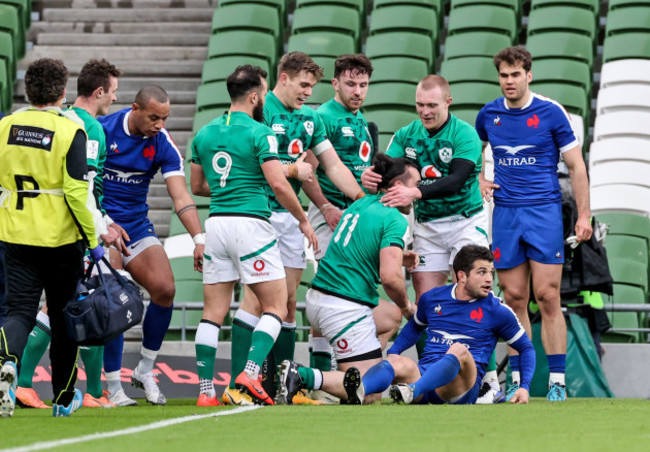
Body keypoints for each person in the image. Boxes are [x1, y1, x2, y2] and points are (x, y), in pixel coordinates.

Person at [225, 52, 366, 405]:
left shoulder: (308, 118)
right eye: (303, 85)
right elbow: (248, 161)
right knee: (257, 299)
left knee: (287, 304)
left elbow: (332, 166)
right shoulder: (260, 110)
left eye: (312, 87)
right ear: (283, 78)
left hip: (290, 217)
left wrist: (363, 200)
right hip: (259, 213)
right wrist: (291, 170)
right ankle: (238, 383)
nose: (308, 92)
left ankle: (283, 386)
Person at [191, 65, 317, 406]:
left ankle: (205, 392)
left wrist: (230, 185)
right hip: (251, 224)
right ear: (254, 96)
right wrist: (303, 218)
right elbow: (278, 183)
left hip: (215, 223)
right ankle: (249, 372)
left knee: (212, 313)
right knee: (277, 305)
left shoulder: (203, 133)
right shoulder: (260, 132)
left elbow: (198, 186)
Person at [476, 47, 592, 402]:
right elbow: (480, 151)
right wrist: (482, 177)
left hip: (543, 212)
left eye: (515, 74)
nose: (509, 81)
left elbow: (577, 168)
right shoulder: (489, 115)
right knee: (513, 299)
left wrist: (585, 215)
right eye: (503, 75)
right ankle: (518, 381)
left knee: (547, 296)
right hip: (506, 214)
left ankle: (557, 380)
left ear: (529, 75)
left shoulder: (551, 112)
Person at [15, 58, 124, 410]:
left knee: (26, 311)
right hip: (64, 233)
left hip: (17, 231)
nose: (115, 100)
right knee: (74, 310)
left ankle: (18, 374)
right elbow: (83, 188)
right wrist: (97, 231)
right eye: (114, 93)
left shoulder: (11, 124)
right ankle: (74, 393)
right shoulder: (81, 127)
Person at [0, 58, 102, 418]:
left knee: (19, 310)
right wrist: (93, 239)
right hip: (59, 240)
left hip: (14, 235)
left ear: (27, 90)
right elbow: (76, 194)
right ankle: (62, 398)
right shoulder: (69, 130)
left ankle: (5, 362)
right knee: (63, 318)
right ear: (63, 92)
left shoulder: (5, 125)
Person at [275, 154, 419, 405]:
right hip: (343, 308)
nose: (417, 191)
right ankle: (306, 376)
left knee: (390, 317)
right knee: (370, 392)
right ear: (398, 187)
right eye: (415, 185)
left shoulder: (361, 204)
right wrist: (408, 307)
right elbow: (390, 278)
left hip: (319, 299)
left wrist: (399, 257)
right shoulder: (394, 218)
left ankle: (348, 368)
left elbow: (360, 248)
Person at [98, 85, 204, 406]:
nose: (160, 124)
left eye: (165, 118)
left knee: (165, 289)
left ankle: (144, 370)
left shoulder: (163, 143)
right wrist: (101, 222)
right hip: (103, 225)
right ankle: (113, 385)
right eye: (154, 117)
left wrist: (198, 238)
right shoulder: (103, 131)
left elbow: (181, 195)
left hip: (135, 226)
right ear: (135, 108)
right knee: (116, 297)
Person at [302, 54, 401, 398]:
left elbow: (359, 172)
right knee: (332, 291)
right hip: (331, 214)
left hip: (356, 213)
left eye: (363, 85)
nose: (358, 91)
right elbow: (308, 168)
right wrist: (325, 206)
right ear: (335, 84)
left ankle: (333, 375)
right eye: (351, 84)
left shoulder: (362, 121)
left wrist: (370, 183)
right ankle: (321, 384)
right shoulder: (324, 117)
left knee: (349, 296)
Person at [361, 75, 488, 304]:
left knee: (470, 293)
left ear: (448, 102)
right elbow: (387, 170)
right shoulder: (405, 135)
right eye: (420, 105)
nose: (425, 111)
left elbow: (456, 180)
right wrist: (371, 177)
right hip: (428, 226)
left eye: (432, 105)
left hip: (466, 221)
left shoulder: (465, 134)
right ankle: (433, 341)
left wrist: (416, 192)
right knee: (426, 302)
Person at [357, 245, 535, 405]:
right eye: (482, 272)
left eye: (491, 272)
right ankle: (359, 390)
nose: (489, 279)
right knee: (398, 363)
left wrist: (524, 386)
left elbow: (526, 347)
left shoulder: (498, 310)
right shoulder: (432, 298)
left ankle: (412, 391)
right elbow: (415, 326)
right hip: (424, 376)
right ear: (462, 276)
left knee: (459, 350)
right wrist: (394, 352)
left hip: (460, 388)